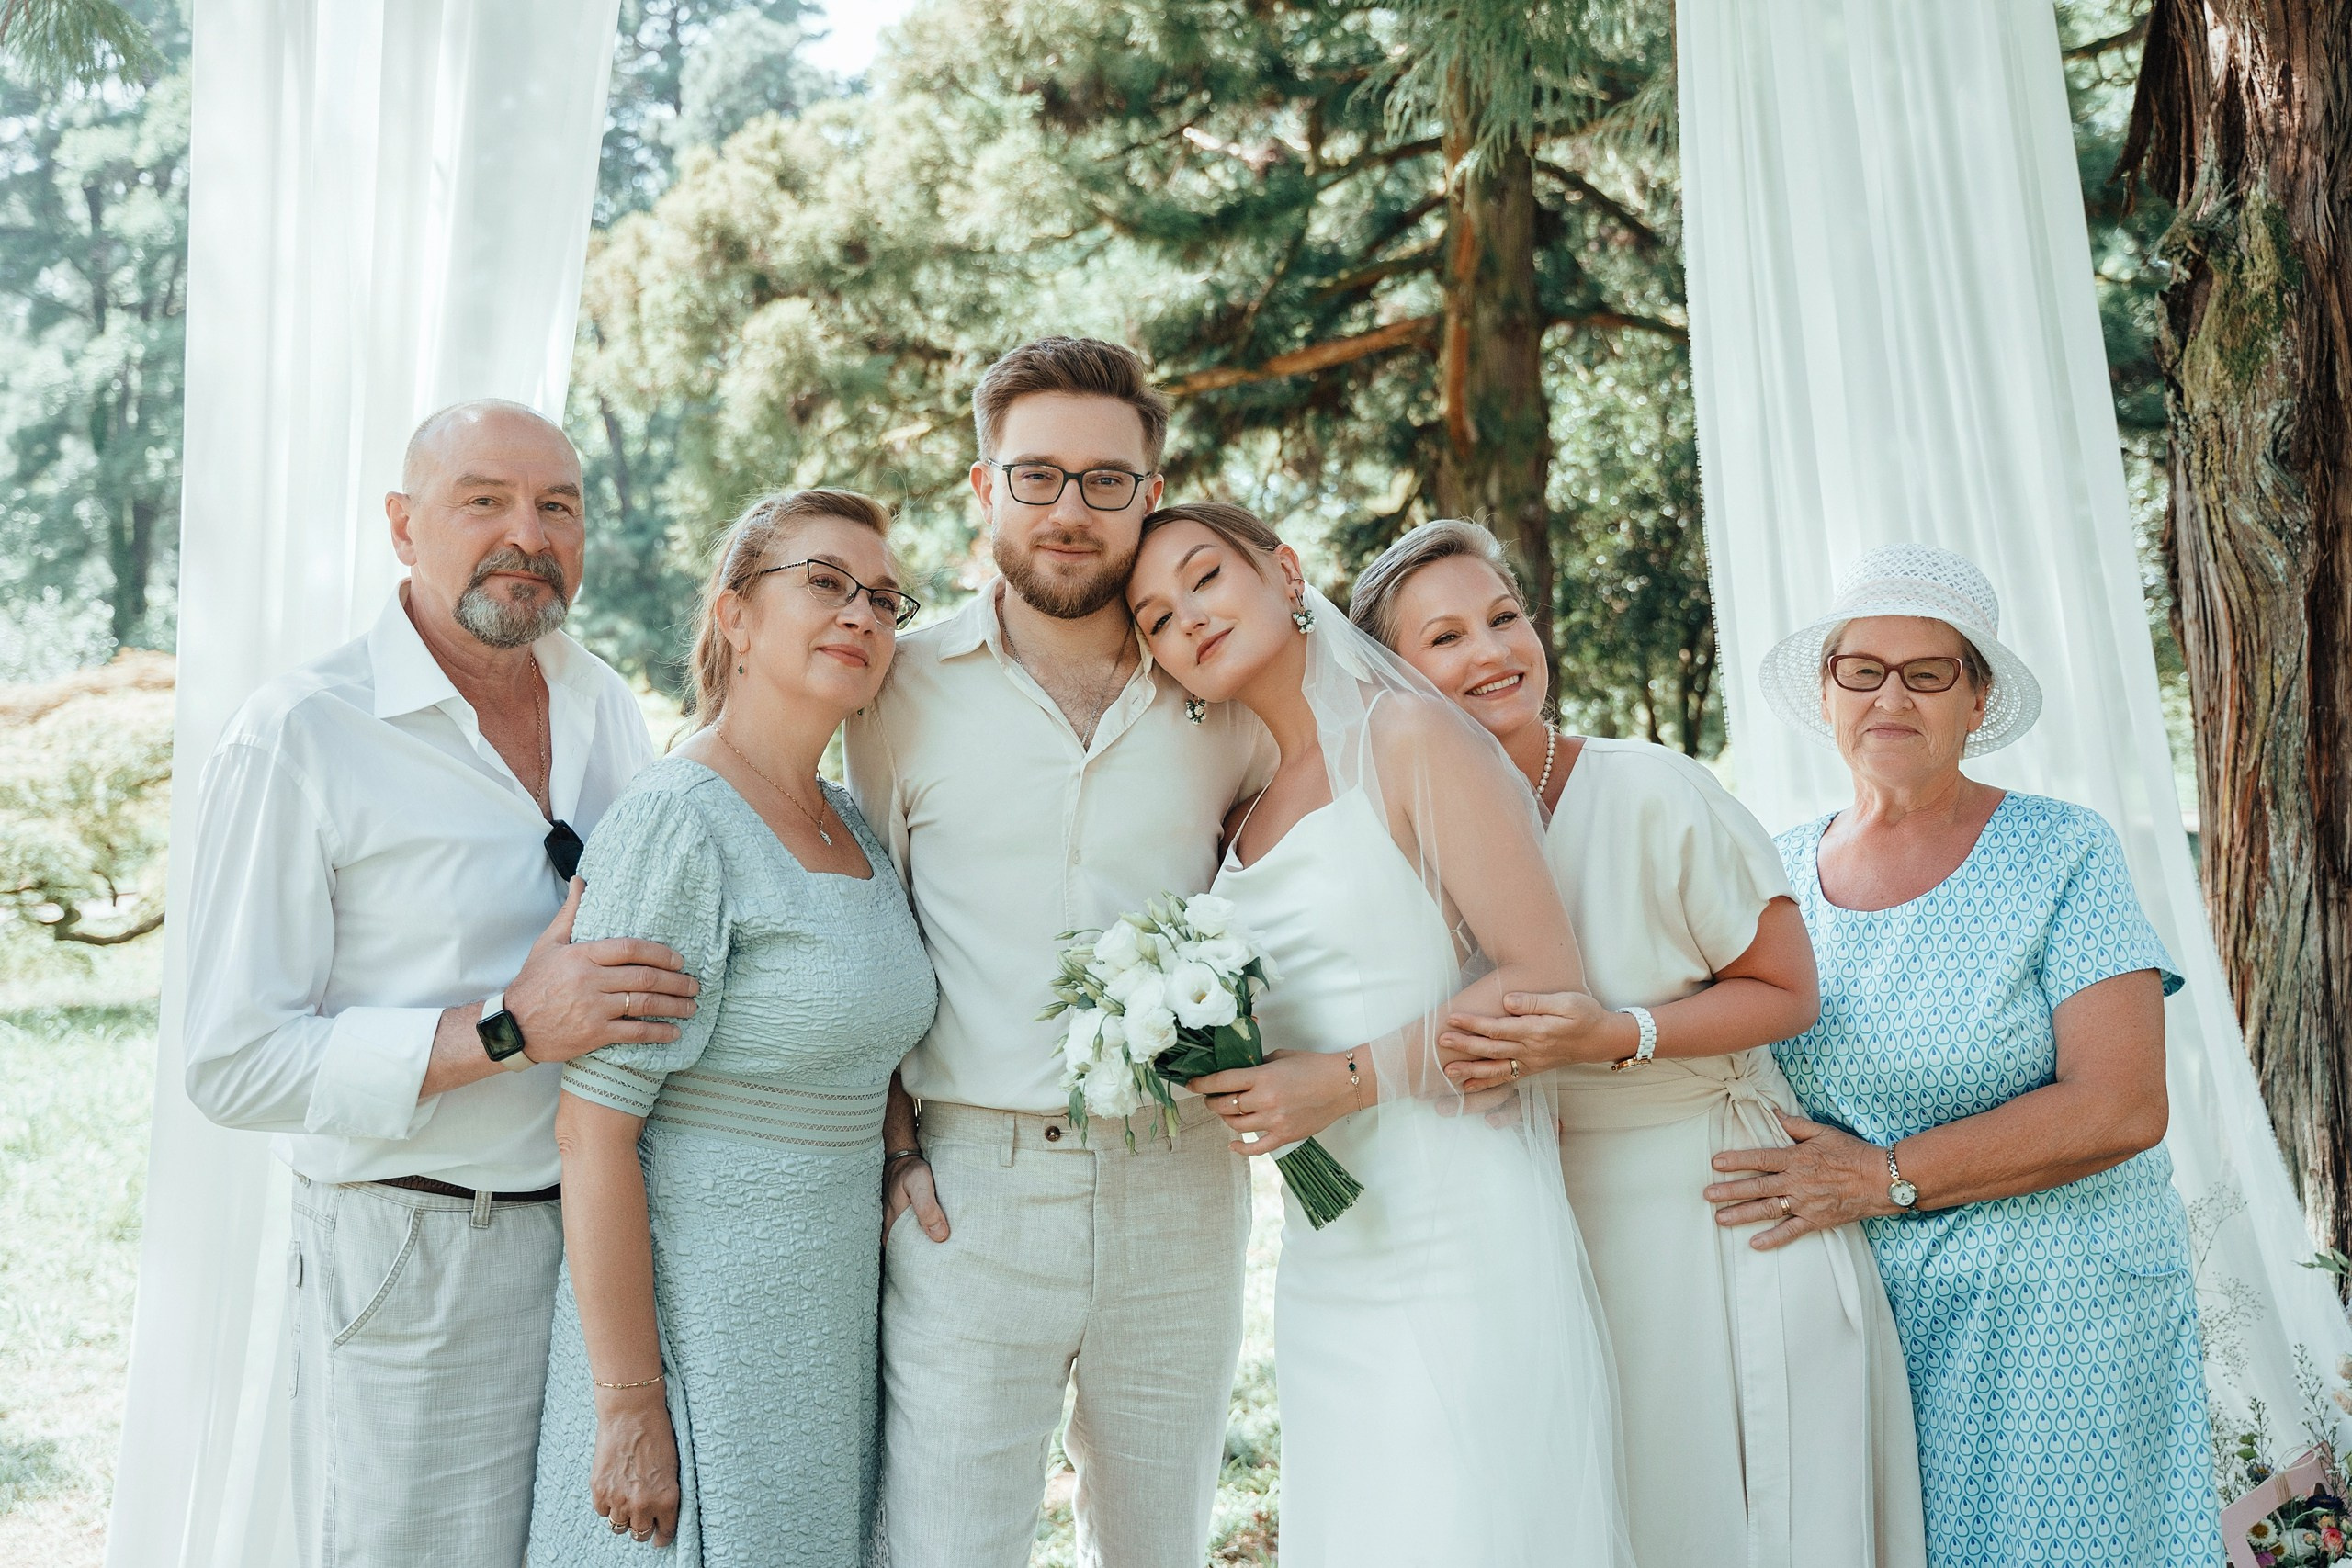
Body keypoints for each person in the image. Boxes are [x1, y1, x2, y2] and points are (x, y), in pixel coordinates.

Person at [181, 400, 699, 1568]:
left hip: (605, 1246)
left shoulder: (603, 702)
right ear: (402, 526)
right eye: (485, 501)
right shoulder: (300, 734)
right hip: (416, 1250)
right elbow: (231, 1063)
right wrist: (507, 1030)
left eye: (558, 506)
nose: (529, 534)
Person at [1353, 519, 1927, 1568]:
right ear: (1387, 678)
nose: (1494, 651)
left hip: (1714, 1203)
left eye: (1504, 617)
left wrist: (1620, 1033)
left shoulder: (1652, 789)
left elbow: (1789, 990)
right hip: (1543, 1223)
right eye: (1446, 638)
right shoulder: (1387, 845)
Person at [1126, 502, 1631, 1568]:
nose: (1187, 619)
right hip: (1331, 1250)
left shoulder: (1407, 736)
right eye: (1157, 618)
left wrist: (1344, 1082)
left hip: (1454, 1220)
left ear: (1286, 571)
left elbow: (1543, 983)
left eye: (1205, 578)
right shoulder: (1242, 815)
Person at [843, 338, 1276, 1568]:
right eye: (1036, 476)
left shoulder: (1229, 691)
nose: (1069, 510)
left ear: (1152, 493)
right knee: (945, 1545)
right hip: (968, 1186)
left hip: (1180, 1174)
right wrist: (894, 1142)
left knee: (1157, 1544)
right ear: (985, 488)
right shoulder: (897, 691)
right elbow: (871, 928)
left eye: (1106, 480)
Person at [1708, 544, 2224, 1567]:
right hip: (1866, 1316)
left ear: (1976, 698)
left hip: (2061, 1309)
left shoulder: (2062, 850)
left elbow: (2122, 1104)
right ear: (1827, 692)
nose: (1889, 696)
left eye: (1927, 672)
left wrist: (1882, 1176)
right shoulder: (1773, 871)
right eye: (1863, 669)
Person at [526, 489, 937, 1562]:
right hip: (702, 1312)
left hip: (826, 1314)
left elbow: (864, 1032)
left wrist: (899, 1149)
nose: (860, 613)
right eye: (825, 582)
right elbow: (592, 1132)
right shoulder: (677, 819)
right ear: (735, 616)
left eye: (883, 598)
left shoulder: (848, 817)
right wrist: (630, 1407)